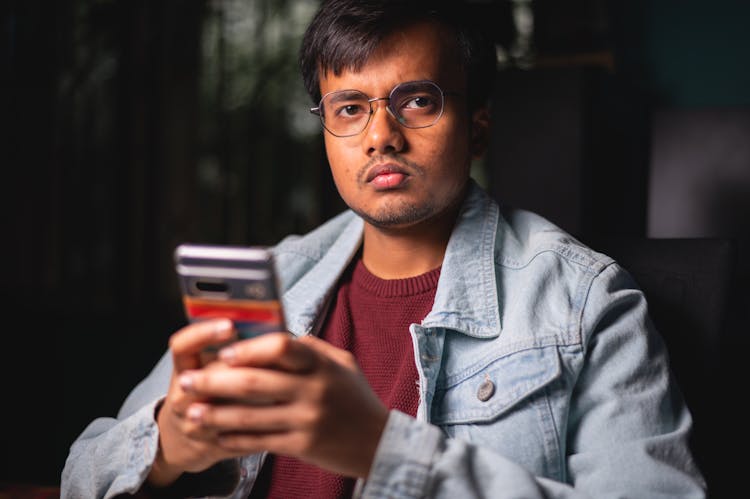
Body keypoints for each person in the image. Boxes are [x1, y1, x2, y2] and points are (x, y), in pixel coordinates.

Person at [61, 0, 706, 497]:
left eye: (417, 101)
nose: (380, 136)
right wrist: (170, 445)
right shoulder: (277, 280)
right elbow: (82, 474)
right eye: (348, 109)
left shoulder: (585, 302)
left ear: (476, 128)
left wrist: (383, 451)